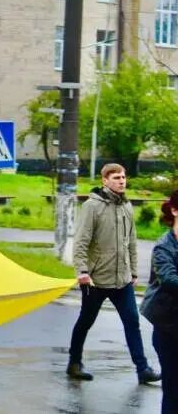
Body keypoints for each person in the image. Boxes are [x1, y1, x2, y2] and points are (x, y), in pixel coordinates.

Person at [67, 163, 160, 384]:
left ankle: (142, 369)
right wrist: (82, 271)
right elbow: (80, 242)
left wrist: (134, 271)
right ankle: (74, 362)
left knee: (132, 321)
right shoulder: (92, 206)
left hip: (122, 280)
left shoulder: (126, 205)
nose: (121, 181)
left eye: (123, 177)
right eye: (116, 177)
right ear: (105, 181)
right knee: (85, 321)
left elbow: (132, 242)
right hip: (95, 280)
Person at [140, 191, 178, 413]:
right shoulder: (164, 246)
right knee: (173, 389)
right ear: (174, 211)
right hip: (169, 327)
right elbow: (169, 278)